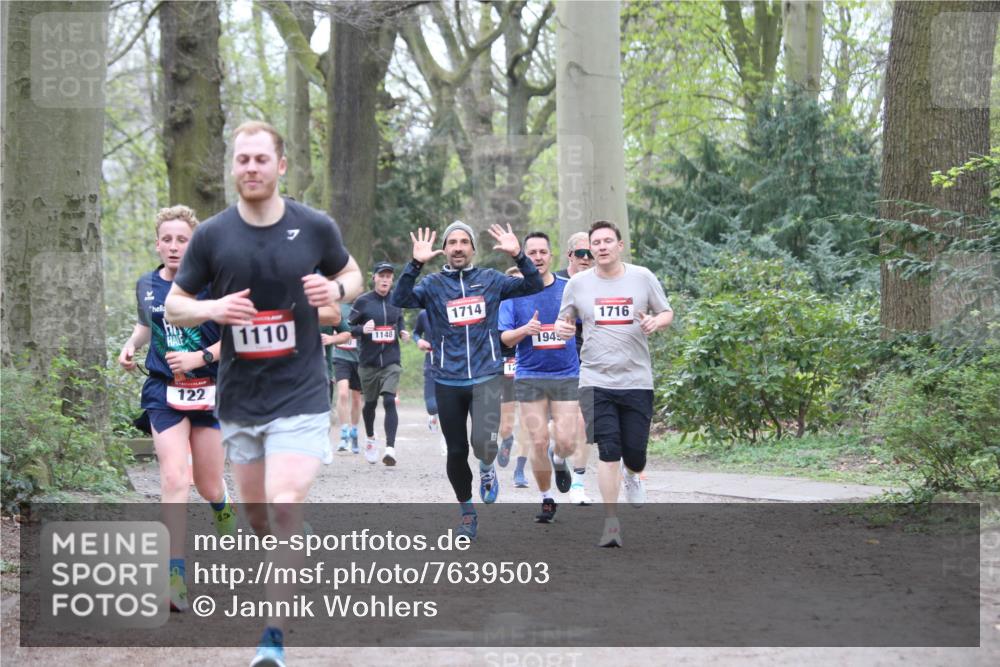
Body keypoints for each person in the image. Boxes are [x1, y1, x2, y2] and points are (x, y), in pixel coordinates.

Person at [165, 120, 362, 667]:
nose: (250, 168)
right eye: (241, 160)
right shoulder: (212, 236)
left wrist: (336, 288)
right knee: (258, 517)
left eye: (260, 159)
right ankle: (290, 547)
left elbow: (353, 273)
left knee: (283, 504)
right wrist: (212, 309)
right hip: (241, 400)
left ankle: (271, 638)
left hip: (299, 392)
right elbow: (174, 305)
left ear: (281, 166)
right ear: (233, 167)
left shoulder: (314, 226)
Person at [118, 204, 236, 613]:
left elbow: (237, 338)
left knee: (206, 484)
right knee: (174, 478)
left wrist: (199, 357)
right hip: (163, 392)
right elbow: (148, 323)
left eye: (181, 239)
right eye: (166, 239)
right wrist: (131, 345)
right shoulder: (147, 284)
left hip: (210, 390)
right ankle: (174, 575)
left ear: (195, 243)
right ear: (157, 244)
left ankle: (222, 505)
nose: (173, 246)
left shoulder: (214, 285)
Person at [391, 222, 543, 538]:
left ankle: (487, 469)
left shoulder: (490, 280)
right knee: (457, 450)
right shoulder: (433, 285)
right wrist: (415, 264)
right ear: (445, 250)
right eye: (452, 242)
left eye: (464, 242)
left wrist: (518, 254)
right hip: (447, 379)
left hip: (486, 376)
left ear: (473, 248)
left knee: (483, 446)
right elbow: (400, 298)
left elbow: (533, 285)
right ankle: (467, 513)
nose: (458, 247)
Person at [556, 220, 673, 548]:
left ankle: (633, 474)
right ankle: (611, 522)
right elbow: (563, 320)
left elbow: (666, 312)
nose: (602, 246)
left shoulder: (642, 277)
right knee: (609, 451)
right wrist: (563, 329)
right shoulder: (578, 284)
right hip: (595, 379)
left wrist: (655, 320)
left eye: (609, 241)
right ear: (590, 249)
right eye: (597, 242)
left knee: (634, 455)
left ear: (620, 246)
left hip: (636, 379)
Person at [500, 232, 580, 523]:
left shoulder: (569, 288)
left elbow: (587, 322)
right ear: (524, 255)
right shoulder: (513, 292)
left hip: (566, 374)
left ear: (551, 255)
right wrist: (525, 331)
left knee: (567, 441)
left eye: (542, 251)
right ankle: (547, 498)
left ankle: (559, 460)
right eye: (531, 252)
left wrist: (573, 331)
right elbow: (505, 338)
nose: (537, 257)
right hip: (530, 375)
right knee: (537, 441)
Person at [348, 262, 409, 466]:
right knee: (370, 404)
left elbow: (398, 319)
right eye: (381, 275)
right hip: (368, 362)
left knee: (390, 400)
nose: (385, 279)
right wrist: (362, 329)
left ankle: (390, 448)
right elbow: (349, 327)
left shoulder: (397, 299)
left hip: (391, 360)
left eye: (388, 276)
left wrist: (402, 331)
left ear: (392, 280)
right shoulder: (362, 301)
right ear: (374, 278)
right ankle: (371, 438)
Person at [555, 231, 595, 505]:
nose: (586, 258)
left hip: (591, 359)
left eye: (590, 254)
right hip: (557, 362)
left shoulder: (600, 281)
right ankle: (558, 455)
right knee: (565, 430)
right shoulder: (556, 282)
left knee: (585, 422)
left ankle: (579, 481)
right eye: (581, 253)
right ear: (570, 255)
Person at [321, 302, 363, 455]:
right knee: (343, 393)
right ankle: (344, 433)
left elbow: (354, 332)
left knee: (356, 399)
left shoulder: (363, 303)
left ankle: (354, 430)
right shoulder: (334, 306)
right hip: (340, 358)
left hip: (359, 358)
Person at [411, 309, 447, 455]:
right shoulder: (424, 314)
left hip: (451, 365)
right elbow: (416, 333)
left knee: (449, 407)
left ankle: (446, 440)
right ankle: (433, 415)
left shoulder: (451, 310)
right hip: (431, 364)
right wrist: (419, 340)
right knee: (432, 407)